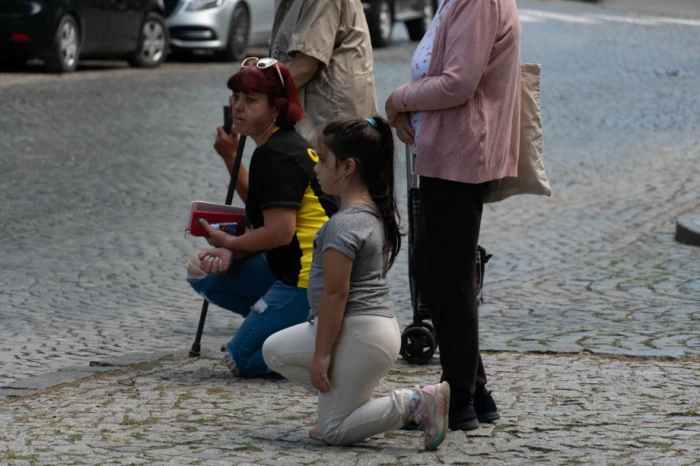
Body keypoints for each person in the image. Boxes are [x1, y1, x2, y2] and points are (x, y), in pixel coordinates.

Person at [262, 117, 450, 450]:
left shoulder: (343, 225)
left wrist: (321, 355)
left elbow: (336, 294)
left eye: (322, 159)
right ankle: (348, 412)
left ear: (348, 167)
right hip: (374, 331)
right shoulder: (372, 212)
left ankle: (417, 402)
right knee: (274, 351)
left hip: (359, 334)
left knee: (333, 432)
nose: (315, 167)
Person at [385, 0, 521, 431]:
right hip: (446, 151)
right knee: (435, 268)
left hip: (460, 152)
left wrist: (398, 99)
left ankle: (457, 397)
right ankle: (475, 392)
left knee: (448, 273)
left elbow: (459, 82)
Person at [186, 58, 338, 378]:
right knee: (201, 271)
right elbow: (263, 209)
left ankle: (326, 348)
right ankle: (282, 328)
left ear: (276, 108)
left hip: (308, 278)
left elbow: (280, 233)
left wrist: (229, 242)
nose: (238, 107)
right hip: (286, 268)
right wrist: (230, 156)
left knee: (238, 359)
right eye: (235, 98)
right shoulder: (275, 145)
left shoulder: (277, 155)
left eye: (250, 100)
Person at [268, 0, 379, 142]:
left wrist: (255, 90)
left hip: (329, 118)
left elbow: (304, 66)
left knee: (325, 160)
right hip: (310, 115)